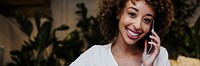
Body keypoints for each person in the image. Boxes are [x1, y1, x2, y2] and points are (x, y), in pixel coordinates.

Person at [70, 0, 174, 66]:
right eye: (132, 14)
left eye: (146, 20)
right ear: (118, 12)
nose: (138, 25)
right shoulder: (95, 56)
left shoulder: (159, 56)